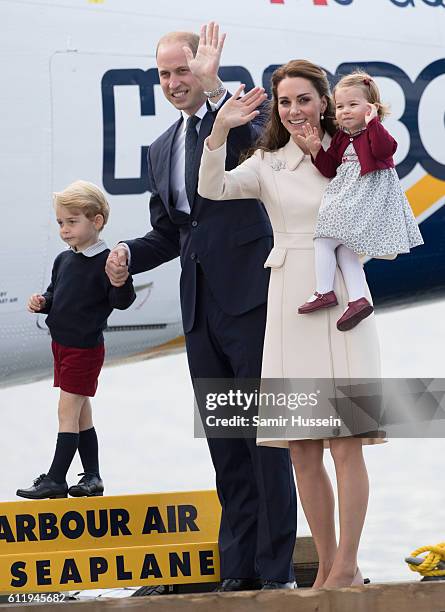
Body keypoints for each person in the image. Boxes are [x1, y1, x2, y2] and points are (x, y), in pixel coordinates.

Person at [105, 24, 297, 591]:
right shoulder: (160, 148)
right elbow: (170, 233)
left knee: (267, 439)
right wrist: (125, 256)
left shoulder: (240, 115)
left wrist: (218, 95)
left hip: (252, 299)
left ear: (202, 67)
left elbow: (271, 148)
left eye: (181, 70)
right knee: (227, 448)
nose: (172, 82)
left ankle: (275, 574)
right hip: (201, 309)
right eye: (163, 74)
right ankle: (236, 575)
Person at [198, 59, 386, 588]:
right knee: (302, 446)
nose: (295, 110)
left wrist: (322, 156)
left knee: (346, 440)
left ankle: (347, 564)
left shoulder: (353, 148)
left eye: (304, 99)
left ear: (324, 101)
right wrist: (220, 129)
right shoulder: (266, 161)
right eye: (285, 101)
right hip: (288, 300)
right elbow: (213, 189)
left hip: (344, 297)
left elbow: (373, 213)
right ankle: (326, 564)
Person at [17, 180, 136, 500]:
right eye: (60, 223)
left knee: (66, 412)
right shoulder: (63, 260)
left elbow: (120, 300)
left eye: (72, 222)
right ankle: (93, 477)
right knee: (82, 414)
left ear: (96, 221)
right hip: (62, 346)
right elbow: (57, 295)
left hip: (84, 349)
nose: (65, 229)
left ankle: (56, 479)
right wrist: (42, 302)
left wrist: (121, 279)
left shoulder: (108, 261)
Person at [297, 70, 423, 331]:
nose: (344, 111)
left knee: (323, 237)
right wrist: (316, 150)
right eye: (340, 106)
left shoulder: (375, 133)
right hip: (352, 197)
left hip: (366, 198)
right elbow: (330, 168)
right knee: (344, 248)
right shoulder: (343, 137)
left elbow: (384, 150)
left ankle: (324, 291)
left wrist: (374, 123)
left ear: (371, 108)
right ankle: (358, 299)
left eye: (352, 105)